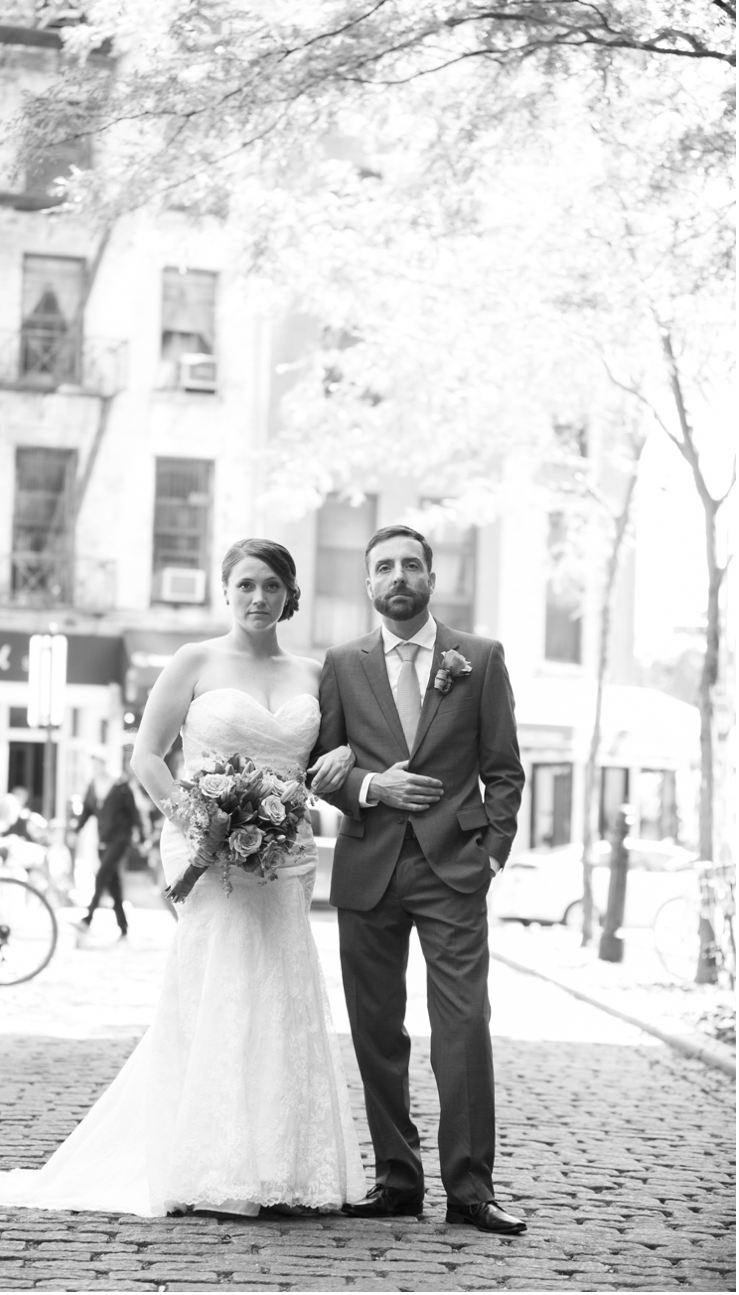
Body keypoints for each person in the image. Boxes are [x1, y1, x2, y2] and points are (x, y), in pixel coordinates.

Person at [0, 538, 366, 1217]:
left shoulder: (317, 674)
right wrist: (203, 826)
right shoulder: (193, 660)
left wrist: (341, 757)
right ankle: (214, 1158)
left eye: (272, 585)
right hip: (205, 847)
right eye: (246, 584)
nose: (259, 596)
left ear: (291, 594)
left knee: (282, 985)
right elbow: (147, 757)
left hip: (286, 853)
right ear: (224, 589)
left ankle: (286, 1162)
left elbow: (324, 762)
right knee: (221, 984)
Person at [314, 524, 527, 1235]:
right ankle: (397, 1179)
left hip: (452, 869)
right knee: (377, 1029)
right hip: (368, 864)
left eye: (411, 564)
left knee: (464, 1022)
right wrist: (373, 786)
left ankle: (471, 1189)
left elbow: (503, 769)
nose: (398, 575)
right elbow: (322, 769)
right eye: (384, 566)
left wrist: (491, 853)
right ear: (368, 583)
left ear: (432, 578)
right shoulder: (342, 663)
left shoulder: (481, 657)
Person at [74, 751, 141, 939]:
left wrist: (140, 835)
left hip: (120, 839)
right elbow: (86, 812)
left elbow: (133, 812)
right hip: (102, 840)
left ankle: (87, 919)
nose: (95, 769)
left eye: (98, 765)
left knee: (102, 874)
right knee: (113, 884)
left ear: (104, 764)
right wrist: (75, 831)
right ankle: (123, 927)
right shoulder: (92, 786)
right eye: (92, 766)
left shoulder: (120, 785)